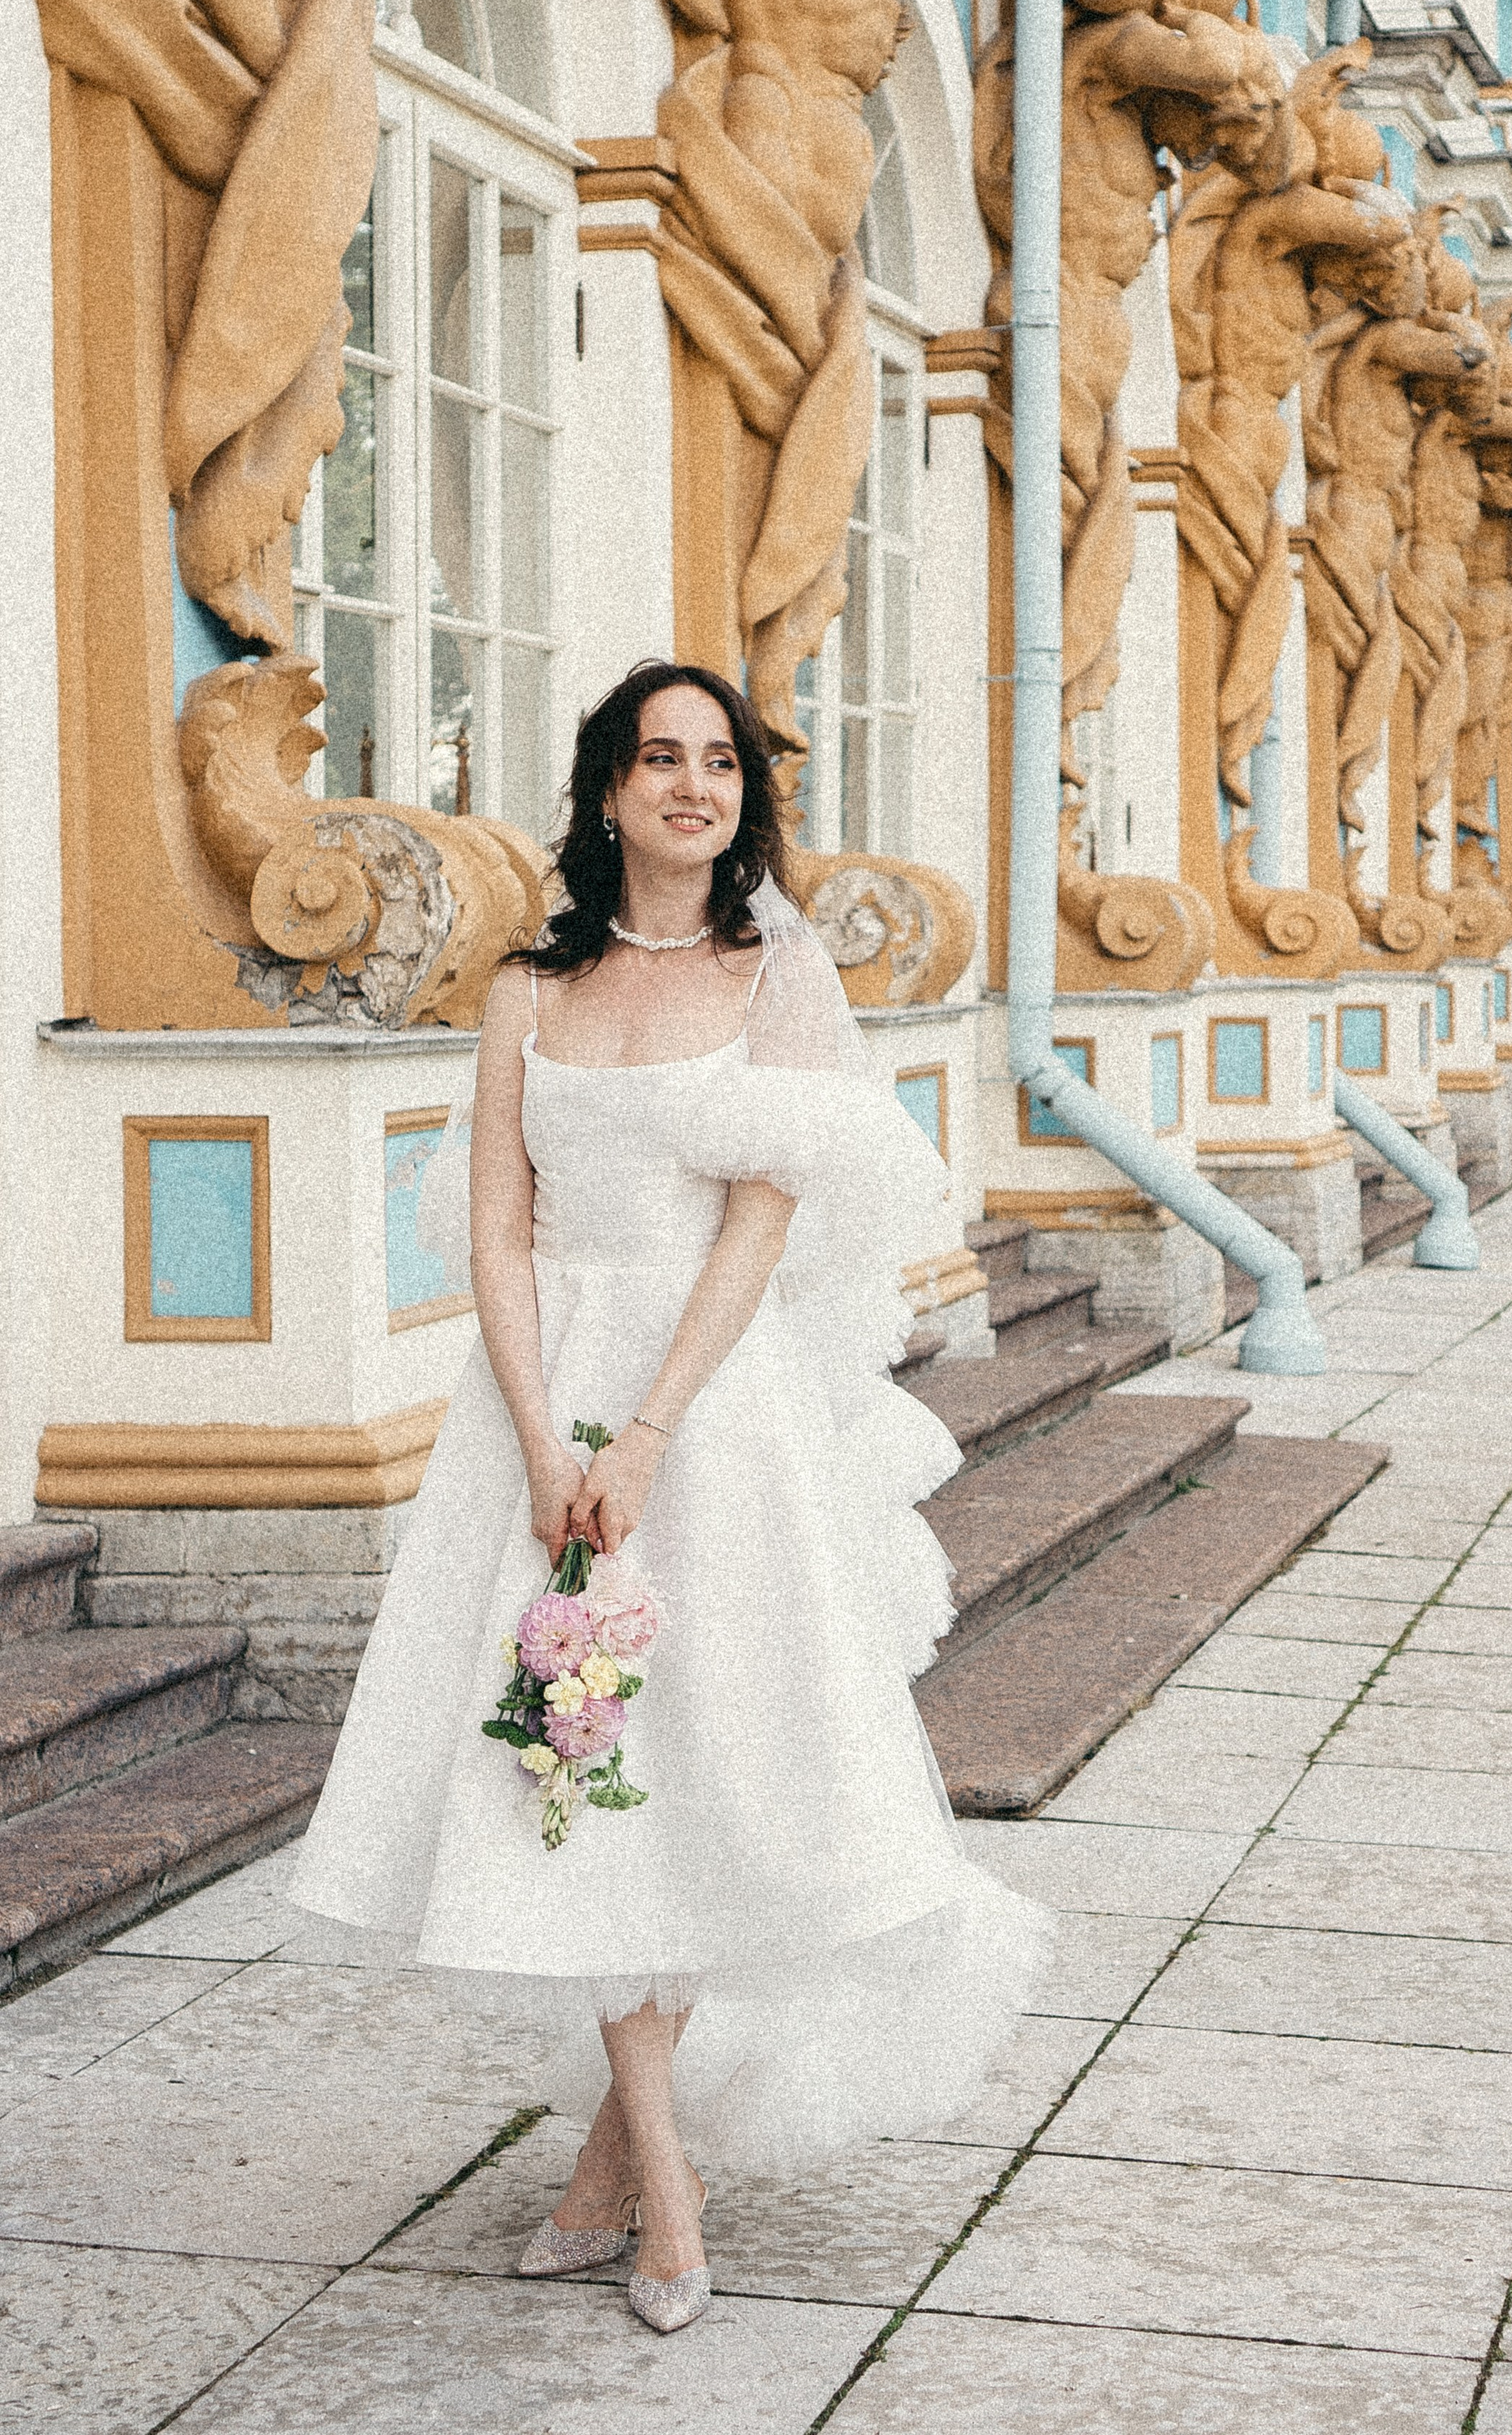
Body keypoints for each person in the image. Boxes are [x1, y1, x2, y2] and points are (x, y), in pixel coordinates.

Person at [294, 660, 1044, 2334]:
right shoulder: (523, 989)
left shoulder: (774, 975)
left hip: (715, 1415)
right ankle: (651, 2173)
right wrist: (547, 1438)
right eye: (658, 759)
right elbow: (497, 1227)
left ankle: (629, 2169)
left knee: (699, 1765)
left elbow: (760, 1226)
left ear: (735, 798)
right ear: (610, 792)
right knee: (576, 1754)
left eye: (715, 762)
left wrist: (639, 1439)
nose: (690, 786)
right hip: (536, 1407)